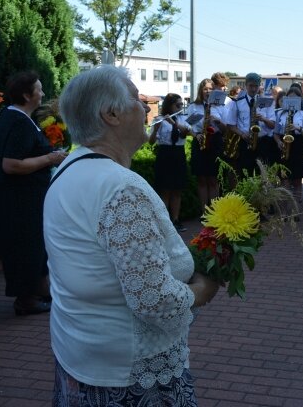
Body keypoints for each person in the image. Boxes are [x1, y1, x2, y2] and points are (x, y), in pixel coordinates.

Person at [44, 65, 219, 405]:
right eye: (137, 99)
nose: (146, 108)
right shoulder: (120, 187)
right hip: (125, 376)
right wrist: (203, 289)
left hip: (82, 356)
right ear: (110, 114)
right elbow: (155, 299)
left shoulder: (68, 167)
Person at [0, 71, 67, 315]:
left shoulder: (16, 118)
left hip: (23, 198)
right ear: (26, 94)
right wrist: (50, 158)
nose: (42, 94)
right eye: (39, 89)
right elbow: (11, 164)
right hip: (20, 200)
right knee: (26, 247)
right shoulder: (18, 121)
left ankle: (39, 291)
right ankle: (26, 298)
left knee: (34, 246)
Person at [149, 93, 191, 232]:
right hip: (165, 154)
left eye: (181, 105)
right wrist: (155, 130)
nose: (180, 107)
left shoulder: (183, 119)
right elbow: (151, 141)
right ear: (169, 105)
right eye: (177, 105)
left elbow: (186, 132)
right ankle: (164, 222)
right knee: (165, 190)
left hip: (178, 153)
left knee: (177, 190)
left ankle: (176, 220)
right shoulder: (159, 119)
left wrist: (173, 123)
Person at [226, 73, 275, 176]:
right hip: (245, 142)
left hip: (263, 143)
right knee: (244, 175)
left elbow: (273, 125)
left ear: (259, 86)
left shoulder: (268, 102)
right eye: (251, 86)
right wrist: (242, 134)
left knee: (262, 177)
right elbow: (231, 125)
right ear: (245, 85)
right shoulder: (237, 102)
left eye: (256, 86)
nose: (253, 89)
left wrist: (264, 119)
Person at [189, 79, 227, 211]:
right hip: (200, 140)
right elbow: (190, 127)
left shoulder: (220, 107)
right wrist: (197, 135)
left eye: (210, 89)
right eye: (205, 89)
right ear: (201, 90)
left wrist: (217, 121)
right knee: (201, 179)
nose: (208, 91)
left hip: (215, 141)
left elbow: (225, 129)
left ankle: (214, 212)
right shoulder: (194, 106)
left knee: (213, 179)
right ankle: (204, 211)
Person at [274, 87, 303, 203]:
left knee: (297, 181)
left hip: (298, 147)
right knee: (285, 181)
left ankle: (296, 211)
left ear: (300, 99)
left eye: (295, 98)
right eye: (289, 98)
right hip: (284, 146)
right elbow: (275, 133)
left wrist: (298, 128)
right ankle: (285, 212)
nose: (291, 100)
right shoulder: (280, 113)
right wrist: (279, 142)